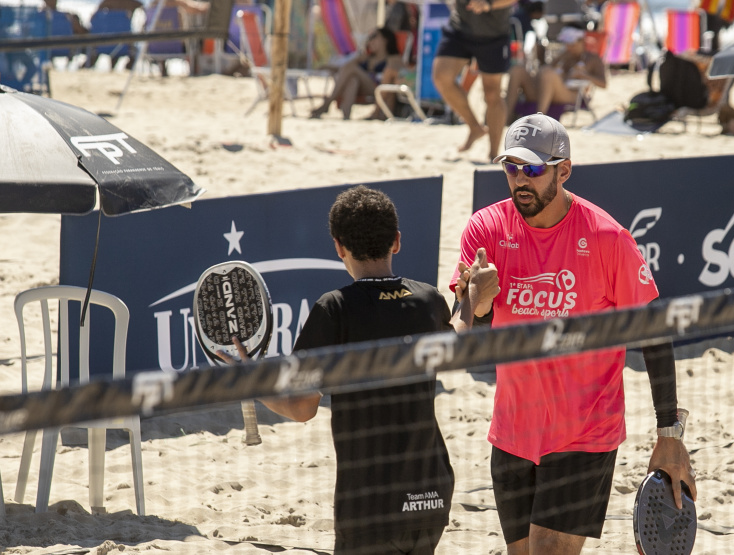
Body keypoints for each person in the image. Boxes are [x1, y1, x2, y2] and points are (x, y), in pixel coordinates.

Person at [450, 113, 697, 554]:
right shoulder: (486, 230)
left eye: (533, 169)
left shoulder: (606, 237)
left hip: (584, 433)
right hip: (513, 431)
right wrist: (479, 304)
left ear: (564, 169)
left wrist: (669, 434)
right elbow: (463, 331)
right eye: (511, 167)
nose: (520, 180)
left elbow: (654, 332)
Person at [220, 185, 499, 554]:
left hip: (370, 504)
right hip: (431, 493)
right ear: (396, 242)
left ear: (339, 247)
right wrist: (472, 296)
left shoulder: (334, 309)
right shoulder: (427, 299)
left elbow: (302, 407)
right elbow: (460, 340)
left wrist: (251, 382)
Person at [432, 0, 519, 160]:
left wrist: (489, 4)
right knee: (441, 77)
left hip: (494, 34)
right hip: (460, 28)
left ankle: (494, 154)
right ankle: (474, 127)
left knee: (492, 94)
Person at [504, 25, 606, 122]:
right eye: (567, 43)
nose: (569, 47)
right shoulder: (564, 55)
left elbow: (603, 84)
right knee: (517, 70)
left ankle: (539, 120)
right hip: (547, 91)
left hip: (573, 94)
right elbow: (542, 72)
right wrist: (559, 59)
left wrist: (584, 75)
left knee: (548, 74)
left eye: (572, 44)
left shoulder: (592, 59)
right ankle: (505, 117)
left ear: (582, 41)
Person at [310, 27, 404, 121]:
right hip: (364, 87)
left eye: (374, 36)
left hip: (379, 88)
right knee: (353, 80)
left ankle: (328, 103)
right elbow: (345, 69)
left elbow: (400, 74)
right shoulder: (366, 58)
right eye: (369, 37)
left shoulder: (393, 59)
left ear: (385, 39)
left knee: (353, 70)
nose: (370, 40)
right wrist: (359, 58)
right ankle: (346, 116)